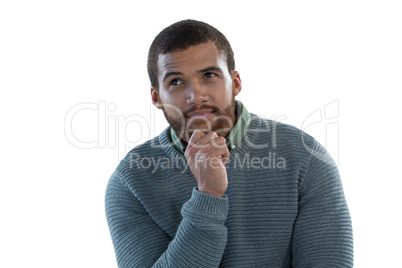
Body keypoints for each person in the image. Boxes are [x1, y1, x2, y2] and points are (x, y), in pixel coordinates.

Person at [105, 19, 353, 267]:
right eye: (176, 82)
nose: (196, 96)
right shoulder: (131, 181)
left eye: (209, 75)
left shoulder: (304, 157)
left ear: (235, 82)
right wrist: (208, 195)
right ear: (156, 97)